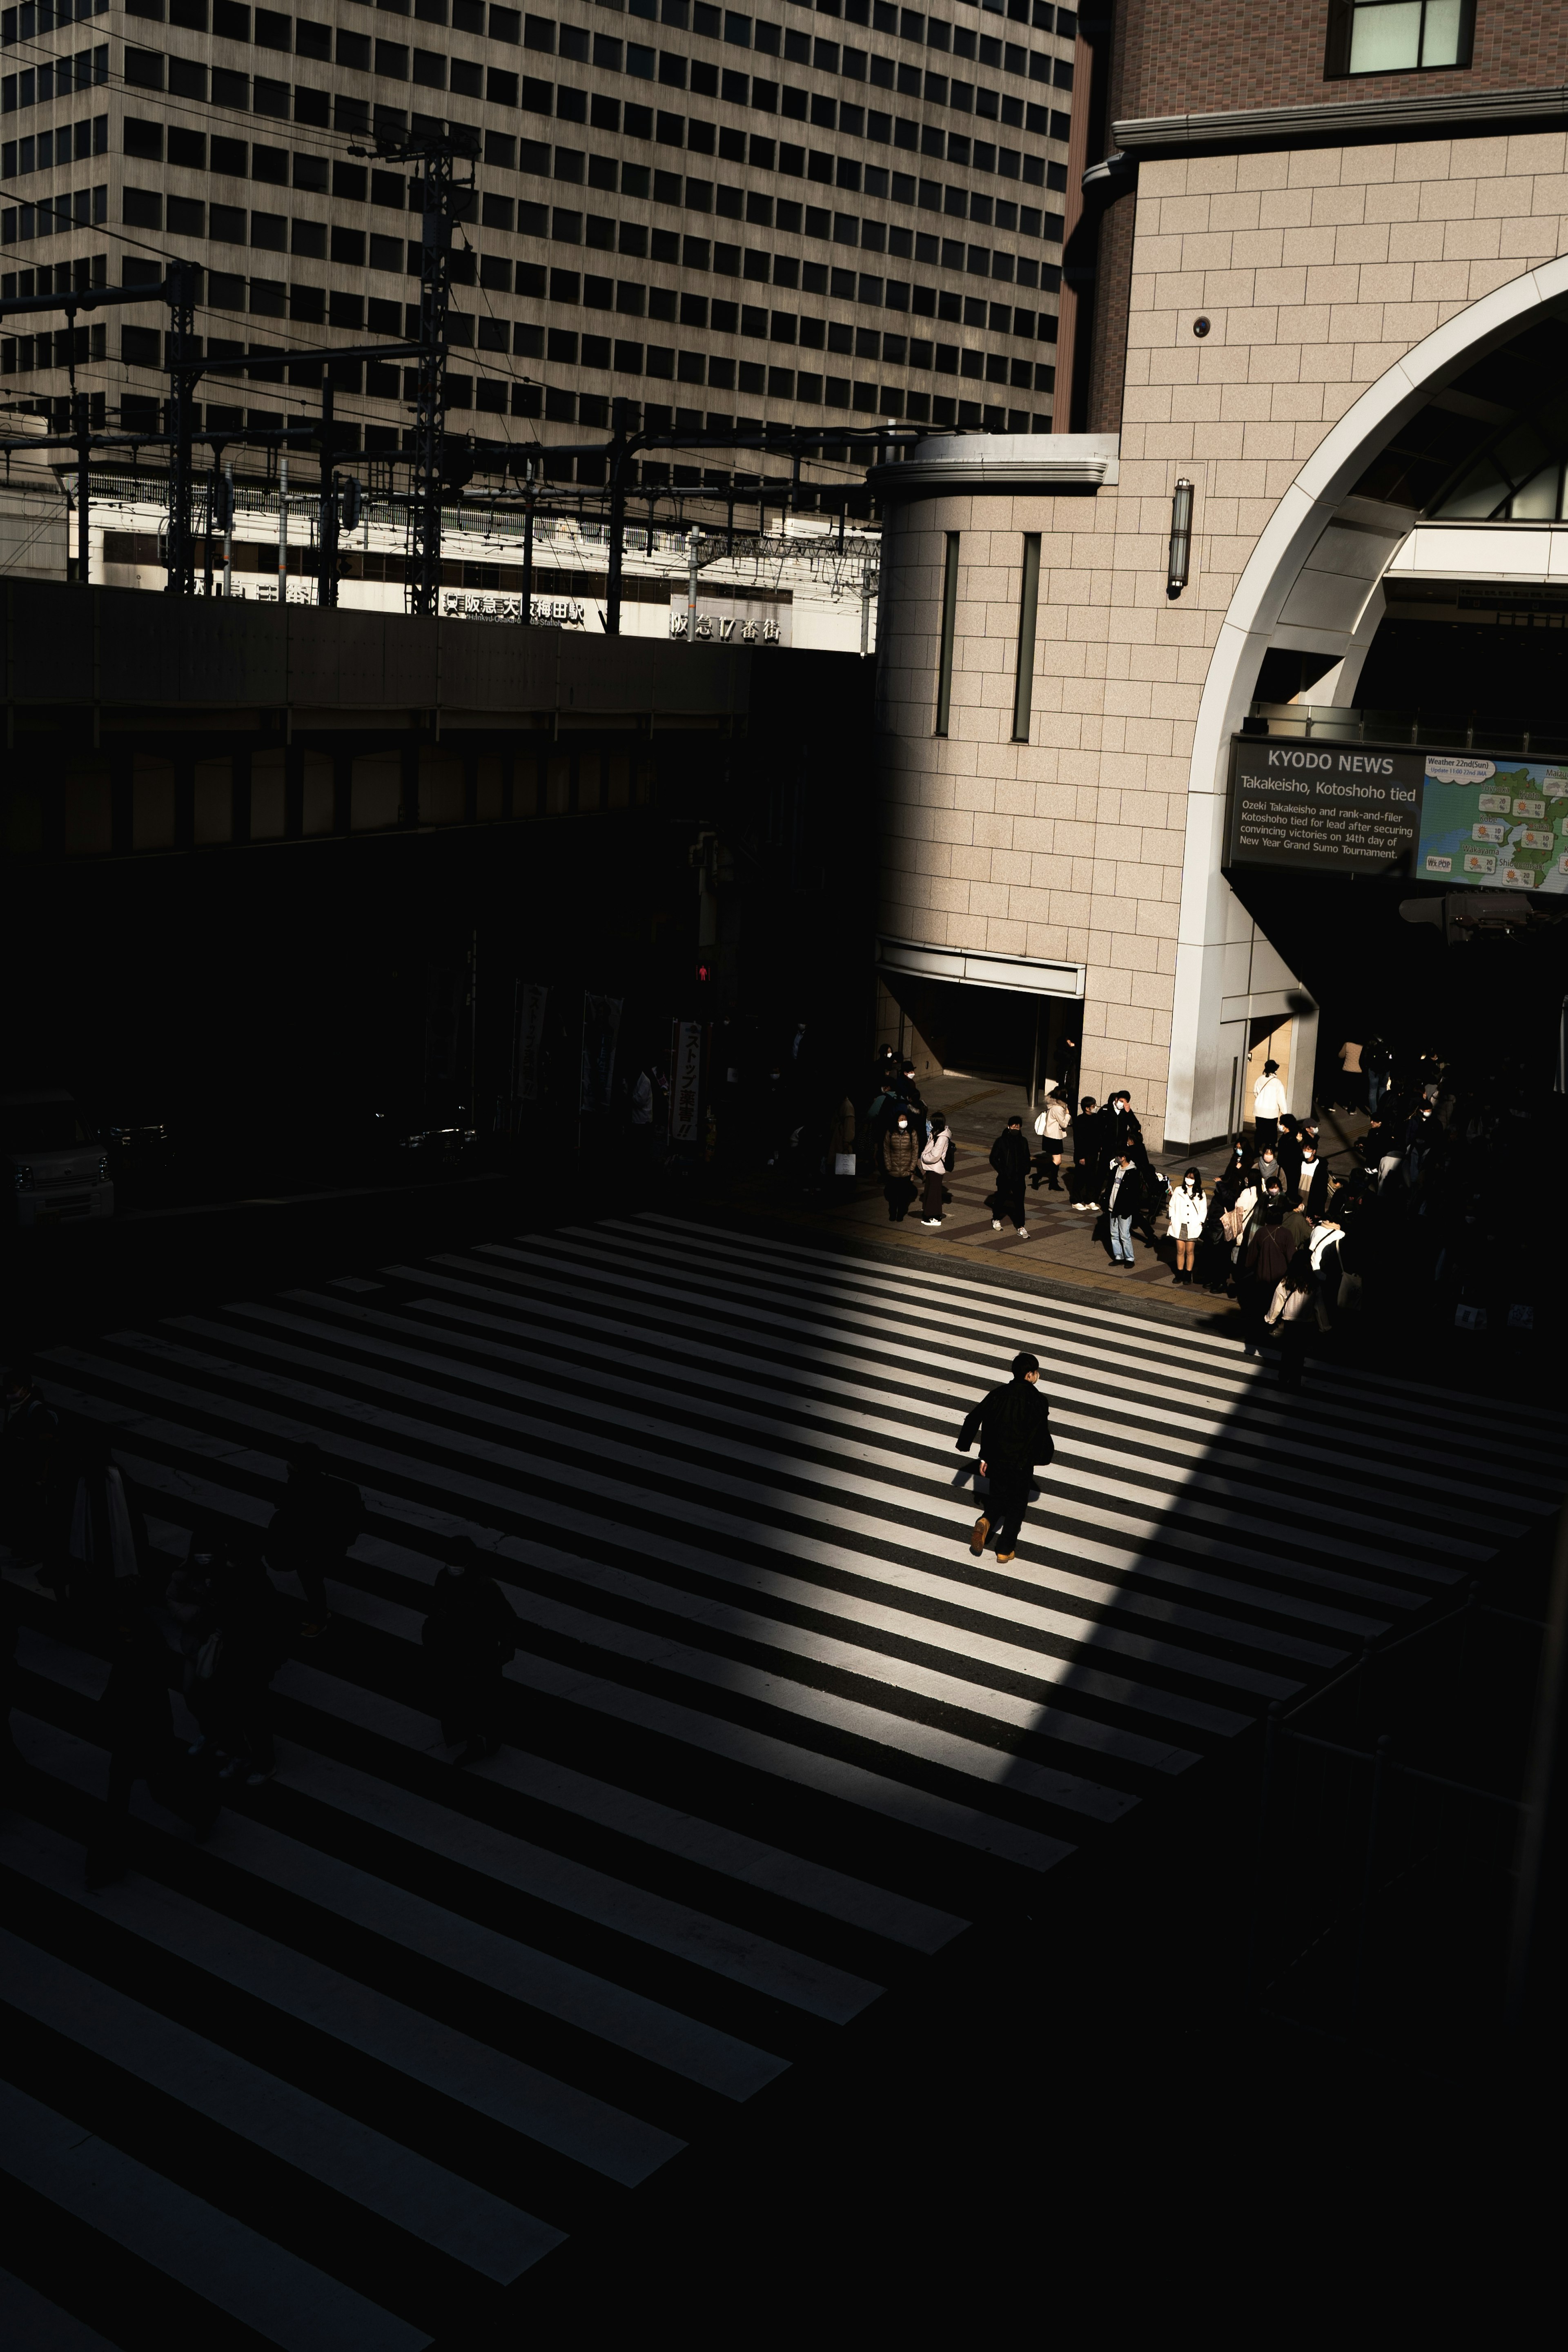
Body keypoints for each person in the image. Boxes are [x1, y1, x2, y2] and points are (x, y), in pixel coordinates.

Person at [421, 1537, 519, 1764]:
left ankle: (493, 1735)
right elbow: (435, 1605)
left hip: (482, 1654)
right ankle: (474, 1743)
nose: (452, 1567)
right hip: (453, 1652)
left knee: (485, 1700)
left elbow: (508, 1620)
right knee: (458, 1702)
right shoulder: (443, 1577)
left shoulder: (486, 1587)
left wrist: (503, 1654)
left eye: (457, 1562)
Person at [955, 1350, 1053, 1566]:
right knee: (1017, 1505)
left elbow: (976, 1419)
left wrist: (979, 1454)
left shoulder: (998, 1394)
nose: (1038, 1376)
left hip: (997, 1459)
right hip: (1022, 1463)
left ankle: (986, 1520)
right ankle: (1004, 1550)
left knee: (998, 1497)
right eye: (1036, 1372)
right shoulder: (1039, 1401)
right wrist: (1043, 1456)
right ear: (1029, 1375)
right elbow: (1040, 1434)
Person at [264, 1443, 364, 1639]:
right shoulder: (301, 1481)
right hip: (309, 1544)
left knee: (310, 1575)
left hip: (322, 1546)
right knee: (310, 1577)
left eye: (294, 1463)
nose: (289, 1467)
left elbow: (317, 1519)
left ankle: (319, 1619)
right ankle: (320, 1611)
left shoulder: (316, 1488)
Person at [1264, 1251, 1317, 1390]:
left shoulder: (1287, 1280)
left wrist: (1271, 1319)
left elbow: (1278, 1301)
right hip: (1306, 1322)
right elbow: (1320, 1306)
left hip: (1290, 1321)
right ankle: (1296, 1381)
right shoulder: (1313, 1282)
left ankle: (1283, 1378)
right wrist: (1325, 1326)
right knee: (1300, 1353)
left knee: (1287, 1351)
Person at [988, 1115, 1031, 1238]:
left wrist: (1026, 1170)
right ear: (1009, 1126)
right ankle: (996, 1218)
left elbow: (1027, 1158)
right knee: (1001, 1199)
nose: (1016, 1129)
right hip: (1005, 1178)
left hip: (1019, 1178)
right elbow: (993, 1158)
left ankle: (1021, 1227)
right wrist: (1003, 1171)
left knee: (1019, 1203)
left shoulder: (1023, 1141)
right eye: (1013, 1126)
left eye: (1018, 1127)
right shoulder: (1001, 1141)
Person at [878, 1108, 920, 1222]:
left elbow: (915, 1151)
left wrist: (912, 1169)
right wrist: (888, 1166)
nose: (904, 1121)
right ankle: (892, 1212)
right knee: (893, 1195)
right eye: (901, 1119)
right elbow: (886, 1150)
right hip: (893, 1170)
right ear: (896, 1121)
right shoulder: (891, 1133)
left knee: (904, 1195)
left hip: (906, 1171)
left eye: (905, 1119)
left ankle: (901, 1213)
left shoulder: (912, 1133)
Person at [1166, 1166, 1207, 1285]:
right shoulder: (1178, 1190)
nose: (1189, 1179)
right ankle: (1179, 1274)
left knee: (1190, 1251)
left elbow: (1203, 1211)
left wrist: (1200, 1223)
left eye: (1192, 1178)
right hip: (1180, 1224)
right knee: (1180, 1250)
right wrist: (1173, 1219)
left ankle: (1188, 1275)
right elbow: (1172, 1205)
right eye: (1188, 1177)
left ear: (1196, 1180)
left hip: (1193, 1226)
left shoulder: (1201, 1193)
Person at [1105, 1150, 1143, 1270]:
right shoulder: (1116, 1169)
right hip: (1113, 1207)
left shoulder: (1133, 1173)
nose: (1116, 1158)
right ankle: (1118, 1256)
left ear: (1124, 1158)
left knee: (1124, 1235)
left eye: (1118, 1156)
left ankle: (1130, 1258)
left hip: (1124, 1209)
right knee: (1114, 1233)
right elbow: (1110, 1187)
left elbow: (1135, 1195)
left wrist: (1130, 1209)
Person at [1070, 1095, 1107, 1209]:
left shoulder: (1096, 1118)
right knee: (1080, 1177)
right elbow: (1079, 1140)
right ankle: (1076, 1200)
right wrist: (1081, 1156)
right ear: (1087, 1108)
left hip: (1093, 1153)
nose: (1095, 1108)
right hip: (1083, 1154)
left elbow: (1099, 1134)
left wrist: (1100, 1146)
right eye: (1093, 1106)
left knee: (1091, 1177)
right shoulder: (1080, 1120)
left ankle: (1089, 1200)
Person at [1031, 1087, 1070, 1192]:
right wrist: (1068, 1115)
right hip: (1054, 1138)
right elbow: (1064, 1124)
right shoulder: (1058, 1108)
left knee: (1056, 1161)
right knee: (1057, 1161)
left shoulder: (1053, 1106)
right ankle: (1038, 1177)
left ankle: (1053, 1183)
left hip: (1051, 1136)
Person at [919, 1114, 953, 1226]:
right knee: (932, 1192)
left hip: (936, 1168)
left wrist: (924, 1157)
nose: (931, 1124)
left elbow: (935, 1156)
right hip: (932, 1168)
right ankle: (933, 1215)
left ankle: (933, 1217)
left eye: (932, 1122)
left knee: (934, 1194)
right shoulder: (937, 1134)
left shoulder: (942, 1138)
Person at [1253, 1058, 1287, 1151]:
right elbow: (1281, 1098)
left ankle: (1257, 1149)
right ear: (1275, 1070)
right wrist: (1284, 1112)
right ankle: (1270, 1149)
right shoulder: (1277, 1083)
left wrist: (1261, 1100)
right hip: (1272, 1112)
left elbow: (1255, 1092)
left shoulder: (1259, 1079)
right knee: (1271, 1132)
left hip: (1259, 1110)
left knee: (1259, 1131)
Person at [1296, 1138, 1330, 1218]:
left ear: (1314, 1152)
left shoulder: (1320, 1168)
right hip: (1298, 1202)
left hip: (1311, 1204)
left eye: (1309, 1149)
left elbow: (1322, 1192)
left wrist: (1318, 1210)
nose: (1306, 1151)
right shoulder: (1300, 1162)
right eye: (1304, 1149)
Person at [1337, 1037, 1364, 1111]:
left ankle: (1346, 1104)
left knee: (1346, 1089)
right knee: (1355, 1091)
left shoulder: (1347, 1044)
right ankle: (1352, 1109)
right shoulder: (1362, 1047)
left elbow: (1341, 1055)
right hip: (1358, 1071)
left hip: (1347, 1069)